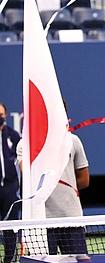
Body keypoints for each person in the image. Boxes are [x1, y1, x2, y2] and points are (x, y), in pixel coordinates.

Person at [16, 100, 90, 255]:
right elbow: (28, 174)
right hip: (40, 221)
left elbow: (84, 180)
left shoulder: (73, 141)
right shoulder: (25, 144)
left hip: (71, 218)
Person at [0, 103, 21, 263]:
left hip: (9, 189)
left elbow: (21, 157)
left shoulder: (12, 135)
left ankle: (10, 260)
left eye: (0, 113)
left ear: (5, 115)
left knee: (11, 227)